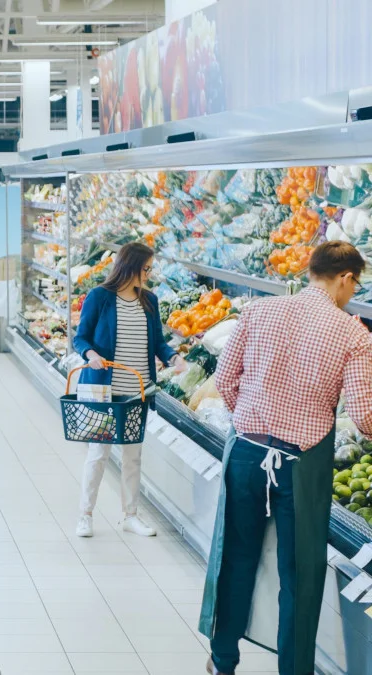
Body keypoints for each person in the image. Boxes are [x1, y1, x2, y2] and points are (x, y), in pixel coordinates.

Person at [200, 240, 372, 675]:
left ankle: (223, 661)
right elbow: (365, 414)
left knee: (237, 556)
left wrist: (253, 416)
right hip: (301, 465)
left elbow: (224, 377)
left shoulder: (260, 311)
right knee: (299, 574)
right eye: (355, 286)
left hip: (247, 452)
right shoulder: (352, 332)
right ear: (345, 278)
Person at [71, 242, 186, 538]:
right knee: (98, 454)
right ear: (131, 266)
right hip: (103, 391)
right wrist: (91, 355)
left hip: (138, 390)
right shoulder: (99, 297)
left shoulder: (149, 300)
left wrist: (172, 357)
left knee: (133, 455)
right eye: (146, 268)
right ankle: (85, 515)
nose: (149, 273)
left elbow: (158, 342)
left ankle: (130, 516)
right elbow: (80, 338)